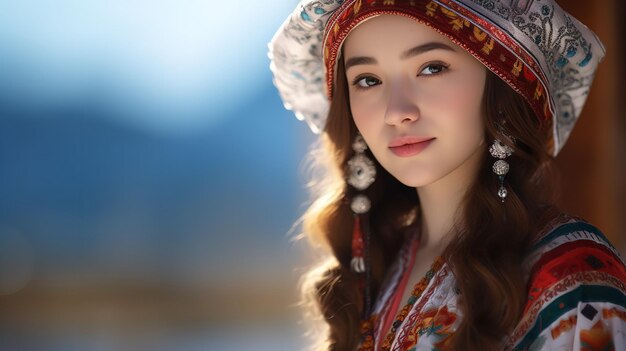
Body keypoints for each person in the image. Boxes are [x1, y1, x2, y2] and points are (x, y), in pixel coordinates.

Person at [269, 1, 626, 350]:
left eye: (431, 68)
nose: (397, 111)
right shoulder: (377, 266)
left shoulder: (571, 275)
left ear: (502, 81)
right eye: (368, 79)